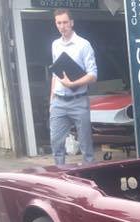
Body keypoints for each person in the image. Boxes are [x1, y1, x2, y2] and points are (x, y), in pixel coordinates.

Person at [49, 8, 97, 165]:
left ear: (71, 23)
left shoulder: (83, 45)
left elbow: (93, 75)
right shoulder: (55, 45)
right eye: (59, 23)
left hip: (78, 101)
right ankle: (60, 175)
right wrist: (51, 100)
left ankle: (90, 175)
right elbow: (55, 74)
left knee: (86, 146)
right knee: (56, 143)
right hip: (58, 101)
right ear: (56, 24)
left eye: (65, 22)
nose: (62, 26)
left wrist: (73, 84)